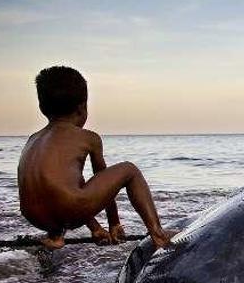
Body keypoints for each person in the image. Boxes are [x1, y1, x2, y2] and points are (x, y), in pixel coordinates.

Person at [17, 66, 176, 250]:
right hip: (68, 208)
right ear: (82, 108)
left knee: (67, 186)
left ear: (42, 107)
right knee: (129, 169)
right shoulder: (88, 138)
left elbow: (61, 190)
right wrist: (114, 223)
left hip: (34, 216)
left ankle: (56, 236)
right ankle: (158, 234)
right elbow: (103, 184)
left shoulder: (33, 139)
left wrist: (95, 228)